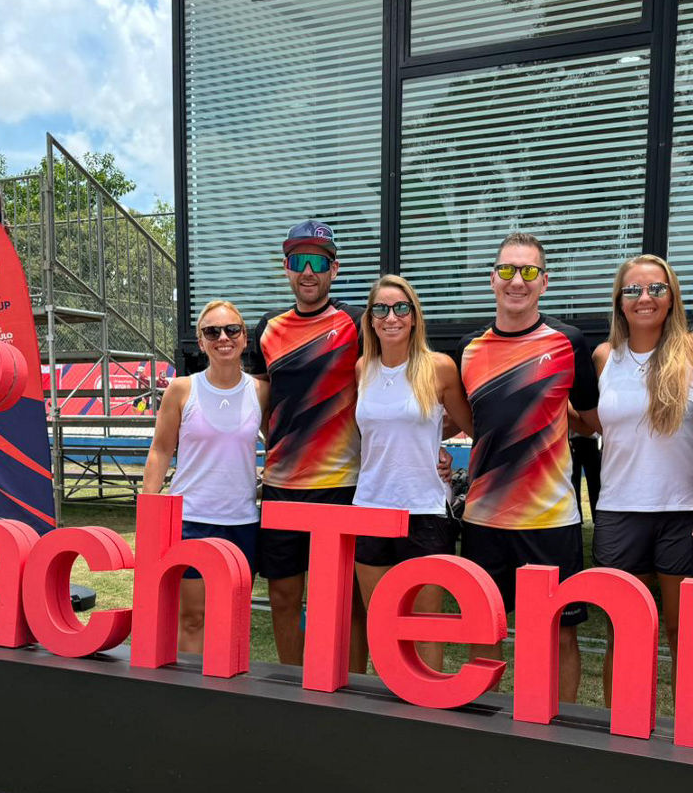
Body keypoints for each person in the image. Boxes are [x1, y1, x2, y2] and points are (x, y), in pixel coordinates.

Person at [458, 232, 599, 702]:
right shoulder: (468, 349)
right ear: (491, 279)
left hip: (549, 519)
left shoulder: (568, 342)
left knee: (559, 633)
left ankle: (560, 730)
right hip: (483, 519)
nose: (516, 281)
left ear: (545, 282)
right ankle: (483, 720)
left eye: (529, 272)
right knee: (484, 630)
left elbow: (591, 420)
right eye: (506, 270)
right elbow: (465, 420)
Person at [583, 254, 693, 707]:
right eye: (633, 290)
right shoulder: (603, 357)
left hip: (683, 511)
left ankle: (688, 737)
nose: (644, 298)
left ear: (672, 296)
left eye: (656, 288)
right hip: (619, 509)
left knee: (684, 634)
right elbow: (591, 422)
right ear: (619, 300)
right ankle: (625, 731)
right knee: (626, 630)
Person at [250, 221, 365, 668]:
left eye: (318, 261)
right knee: (282, 594)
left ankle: (353, 689)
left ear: (334, 269)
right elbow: (261, 401)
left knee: (347, 600)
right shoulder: (268, 328)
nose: (309, 271)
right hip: (282, 484)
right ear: (287, 269)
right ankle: (291, 688)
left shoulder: (357, 322)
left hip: (343, 485)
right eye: (300, 261)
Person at [352, 275, 474, 671]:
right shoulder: (362, 370)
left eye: (401, 308)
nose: (392, 317)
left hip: (424, 511)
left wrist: (437, 449)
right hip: (371, 508)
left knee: (425, 627)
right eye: (381, 309)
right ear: (370, 320)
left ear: (414, 316)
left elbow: (468, 425)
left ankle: (431, 715)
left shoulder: (438, 368)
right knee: (383, 625)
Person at [142, 301, 266, 654]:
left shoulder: (260, 392)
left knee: (233, 615)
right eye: (212, 331)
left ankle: (227, 697)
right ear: (201, 341)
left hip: (242, 523)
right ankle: (190, 700)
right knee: (193, 617)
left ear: (245, 339)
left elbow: (283, 444)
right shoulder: (182, 389)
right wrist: (150, 508)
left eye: (232, 330)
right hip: (192, 520)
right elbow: (161, 450)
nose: (223, 338)